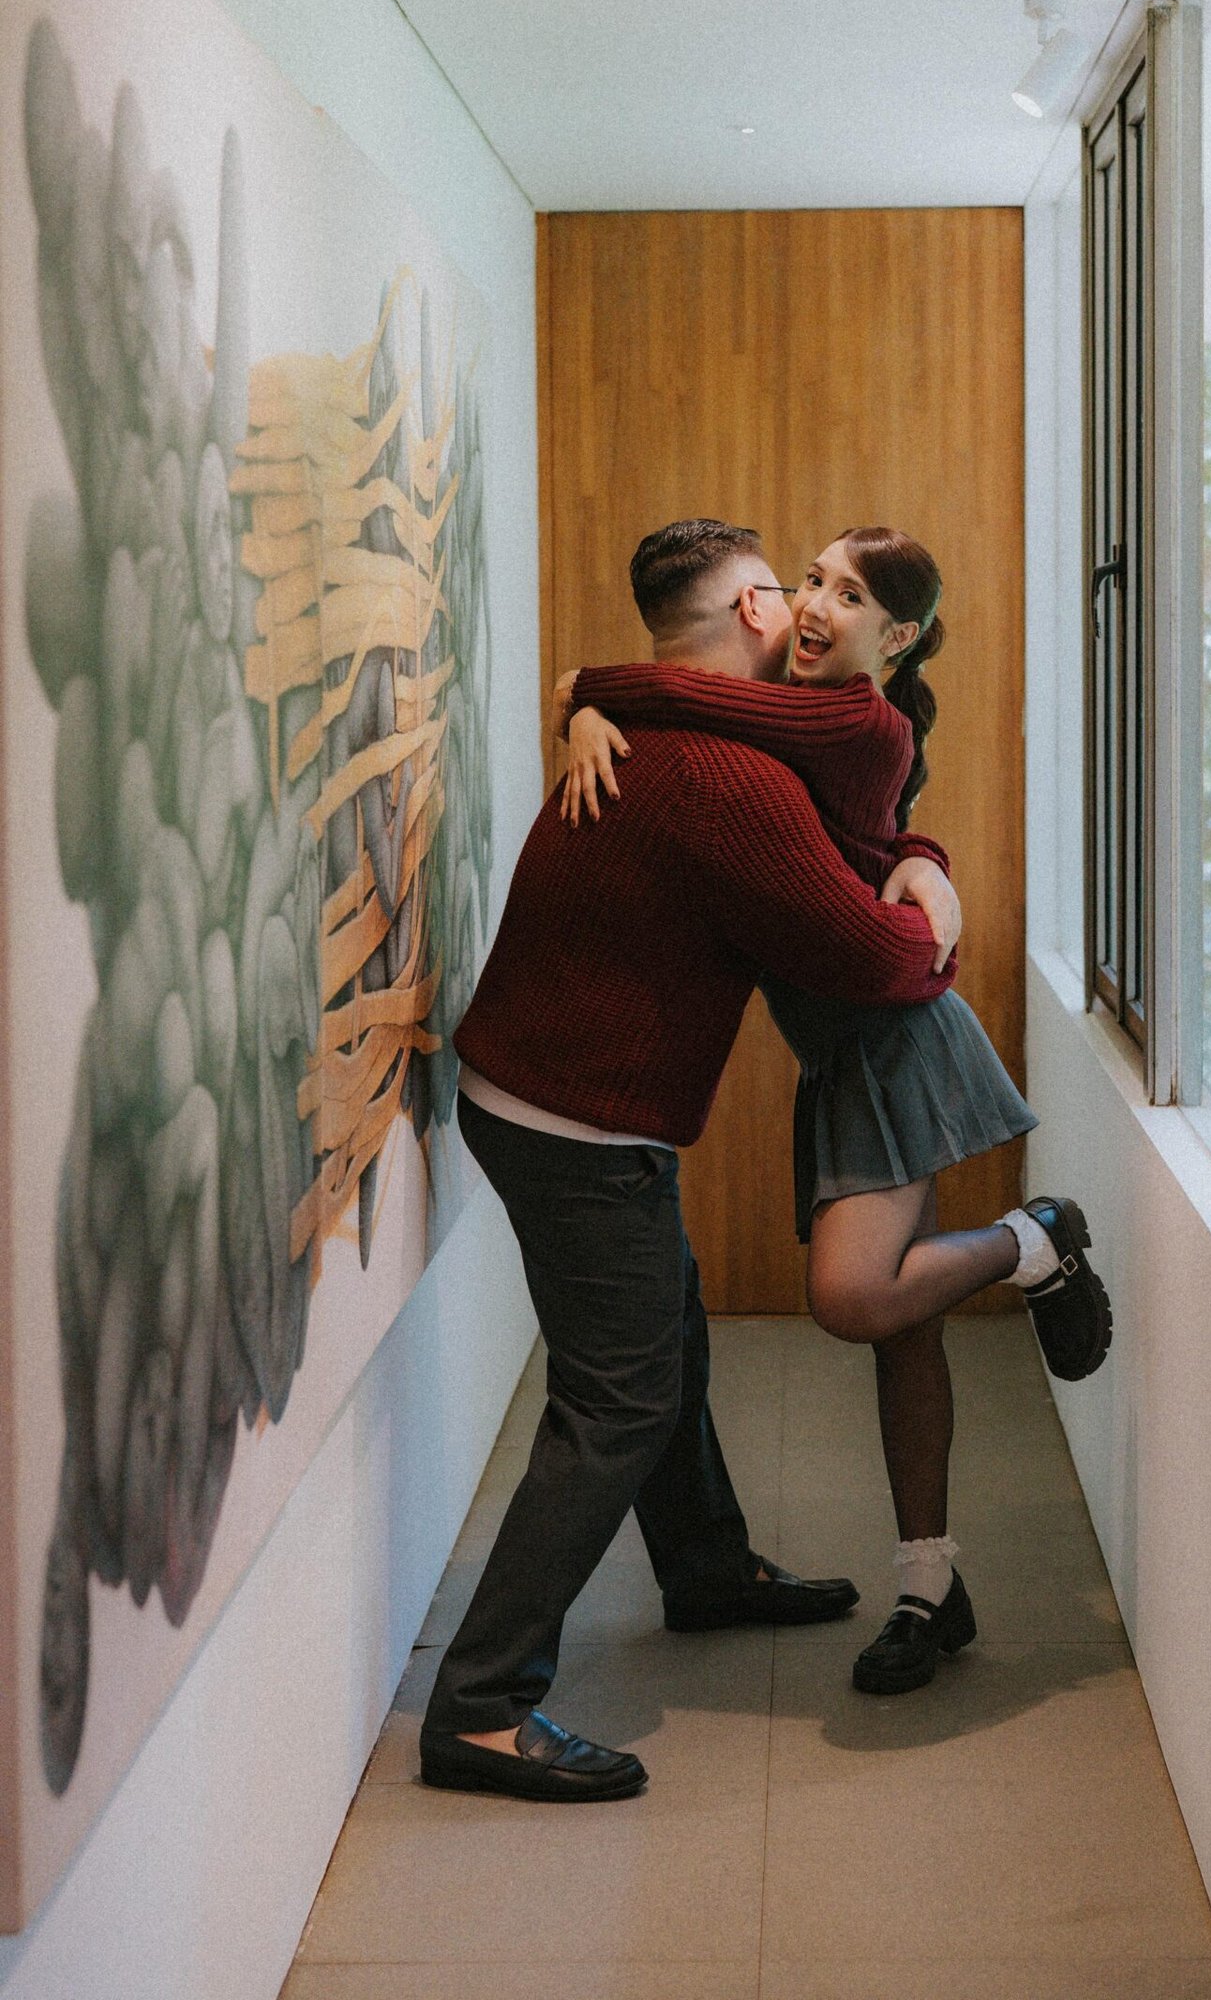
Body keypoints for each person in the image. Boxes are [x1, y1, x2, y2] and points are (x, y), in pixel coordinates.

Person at [419, 520, 968, 1803]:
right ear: (746, 614)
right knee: (617, 1404)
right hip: (578, 1123)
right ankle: (481, 1707)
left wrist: (917, 855)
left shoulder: (659, 732)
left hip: (544, 1093)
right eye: (784, 589)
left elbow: (859, 829)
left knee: (668, 1333)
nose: (802, 608)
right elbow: (873, 959)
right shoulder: (727, 781)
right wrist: (934, 916)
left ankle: (706, 1569)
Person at [554, 526, 1113, 1697]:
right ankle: (928, 1589)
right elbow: (742, 738)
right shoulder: (806, 713)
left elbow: (694, 701)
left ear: (896, 637)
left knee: (854, 1298)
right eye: (809, 580)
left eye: (846, 596)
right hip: (846, 1054)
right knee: (904, 1324)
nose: (812, 605)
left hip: (895, 1040)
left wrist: (584, 694)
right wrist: (588, 718)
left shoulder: (857, 720)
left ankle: (1037, 1239)